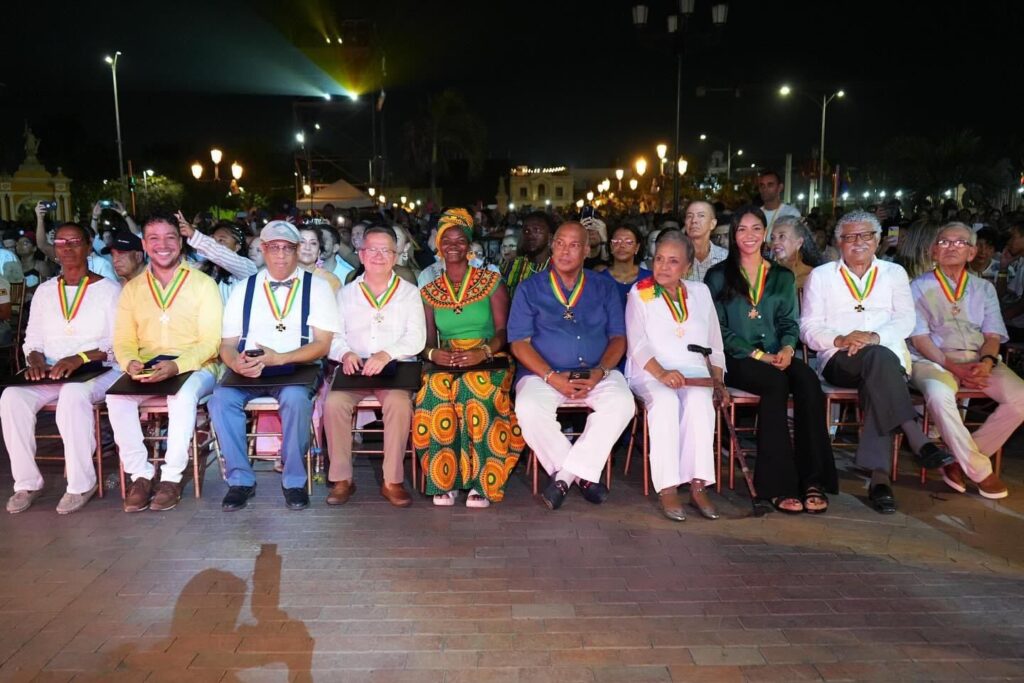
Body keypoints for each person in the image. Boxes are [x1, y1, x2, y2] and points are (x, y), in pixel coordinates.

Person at [800, 210, 954, 514]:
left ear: (878, 239)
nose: (858, 242)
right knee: (881, 365)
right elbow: (808, 326)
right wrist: (842, 340)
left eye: (865, 235)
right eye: (849, 236)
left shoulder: (893, 273)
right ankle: (913, 433)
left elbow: (905, 320)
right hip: (839, 359)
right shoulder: (821, 276)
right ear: (838, 242)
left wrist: (872, 337)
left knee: (879, 370)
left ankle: (880, 480)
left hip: (884, 357)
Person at [706, 207, 837, 514]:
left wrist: (789, 350)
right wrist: (759, 355)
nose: (748, 235)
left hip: (779, 354)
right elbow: (718, 329)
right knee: (775, 384)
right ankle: (777, 485)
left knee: (807, 382)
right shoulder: (718, 276)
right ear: (732, 235)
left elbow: (791, 323)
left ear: (763, 233)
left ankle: (813, 480)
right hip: (738, 359)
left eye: (755, 229)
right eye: (741, 229)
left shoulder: (781, 276)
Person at [211, 221, 341, 512]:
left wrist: (280, 358)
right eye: (273, 248)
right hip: (251, 365)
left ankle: (294, 481)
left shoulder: (318, 288)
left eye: (287, 248)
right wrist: (236, 364)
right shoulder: (244, 288)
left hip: (298, 365)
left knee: (295, 399)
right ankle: (241, 480)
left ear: (297, 251)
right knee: (220, 400)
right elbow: (227, 344)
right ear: (263, 250)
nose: (280, 255)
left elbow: (323, 344)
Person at [509, 221, 634, 510]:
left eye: (574, 245)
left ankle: (565, 477)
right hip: (543, 374)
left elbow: (618, 337)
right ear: (552, 247)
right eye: (560, 243)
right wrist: (552, 377)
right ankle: (586, 477)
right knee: (527, 408)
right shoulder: (530, 289)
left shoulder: (604, 286)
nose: (565, 251)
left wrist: (599, 372)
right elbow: (519, 343)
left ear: (587, 250)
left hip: (597, 371)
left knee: (622, 403)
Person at [2, 223, 122, 514]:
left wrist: (80, 357)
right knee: (10, 398)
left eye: (75, 241)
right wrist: (35, 360)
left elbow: (117, 345)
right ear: (54, 249)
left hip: (100, 370)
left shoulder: (108, 290)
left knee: (72, 395)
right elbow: (32, 340)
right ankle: (26, 483)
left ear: (88, 244)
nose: (67, 248)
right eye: (60, 242)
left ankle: (81, 484)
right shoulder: (44, 291)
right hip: (52, 370)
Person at [107, 215, 224, 512]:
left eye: (170, 237)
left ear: (181, 241)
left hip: (198, 366)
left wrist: (179, 365)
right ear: (144, 245)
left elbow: (211, 341)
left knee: (181, 396)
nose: (163, 245)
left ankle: (172, 478)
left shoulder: (203, 283)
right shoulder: (133, 289)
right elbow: (122, 338)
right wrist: (130, 361)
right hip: (148, 366)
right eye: (154, 239)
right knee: (116, 398)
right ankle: (141, 475)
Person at [416, 209, 523, 507]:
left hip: (490, 357)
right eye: (446, 239)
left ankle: (483, 482)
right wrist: (434, 353)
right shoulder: (429, 291)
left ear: (469, 245)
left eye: (460, 240)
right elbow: (426, 342)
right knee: (434, 394)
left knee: (473, 391)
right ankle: (443, 479)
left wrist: (483, 351)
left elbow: (504, 332)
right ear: (438, 245)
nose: (453, 245)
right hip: (447, 359)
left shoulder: (492, 282)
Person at [909, 222, 1020, 499]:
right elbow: (920, 339)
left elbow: (993, 334)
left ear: (972, 253)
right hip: (933, 360)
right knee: (939, 393)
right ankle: (981, 470)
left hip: (978, 358)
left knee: (1021, 397)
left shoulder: (984, 288)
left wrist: (985, 362)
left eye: (960, 243)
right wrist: (953, 366)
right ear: (934, 250)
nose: (951, 247)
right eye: (944, 242)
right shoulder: (917, 287)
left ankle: (959, 461)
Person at [625, 231, 728, 521]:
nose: (663, 267)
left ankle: (698, 484)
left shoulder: (700, 292)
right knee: (666, 403)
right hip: (650, 371)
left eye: (673, 261)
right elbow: (637, 343)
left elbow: (714, 343)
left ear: (687, 265)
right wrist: (662, 372)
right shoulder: (641, 291)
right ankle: (668, 486)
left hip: (695, 372)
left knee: (699, 403)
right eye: (659, 259)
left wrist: (718, 379)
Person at [324, 226, 426, 507]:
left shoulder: (409, 293)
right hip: (354, 370)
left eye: (386, 250)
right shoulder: (346, 294)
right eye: (372, 249)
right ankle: (342, 479)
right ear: (361, 254)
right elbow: (334, 336)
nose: (379, 256)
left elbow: (416, 338)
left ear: (395, 256)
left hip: (393, 370)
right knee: (333, 404)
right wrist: (344, 354)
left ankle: (392, 481)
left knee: (399, 404)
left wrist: (387, 354)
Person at [177, 216, 257, 302]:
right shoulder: (201, 267)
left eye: (221, 240)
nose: (215, 244)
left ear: (237, 247)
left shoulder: (247, 268)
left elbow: (220, 253)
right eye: (212, 240)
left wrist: (193, 234)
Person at [593, 224, 652, 312]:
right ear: (611, 246)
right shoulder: (599, 280)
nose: (622, 246)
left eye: (628, 242)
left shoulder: (649, 279)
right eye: (616, 242)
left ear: (637, 247)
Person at [502, 211, 553, 298]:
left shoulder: (558, 268)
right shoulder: (510, 266)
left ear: (550, 237)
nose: (530, 235)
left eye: (536, 230)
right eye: (526, 231)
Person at [769, 215, 823, 290]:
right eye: (772, 238)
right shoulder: (768, 274)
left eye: (782, 236)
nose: (775, 242)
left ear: (799, 242)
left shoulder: (811, 277)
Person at [684, 201, 728, 282]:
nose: (694, 220)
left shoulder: (726, 257)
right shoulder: (675, 256)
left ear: (713, 223)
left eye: (701, 215)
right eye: (689, 216)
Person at [998, 221, 1024, 341]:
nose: (1009, 242)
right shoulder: (1019, 262)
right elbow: (1001, 294)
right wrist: (1003, 267)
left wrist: (997, 319)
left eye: (1013, 237)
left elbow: (1021, 306)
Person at [297, 226, 342, 293]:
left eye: (313, 243)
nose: (307, 247)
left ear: (319, 252)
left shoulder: (331, 280)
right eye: (302, 242)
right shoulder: (282, 277)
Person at [757, 169, 800, 238]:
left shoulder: (791, 213)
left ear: (780, 187)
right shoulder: (756, 214)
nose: (765, 189)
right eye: (762, 185)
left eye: (770, 185)